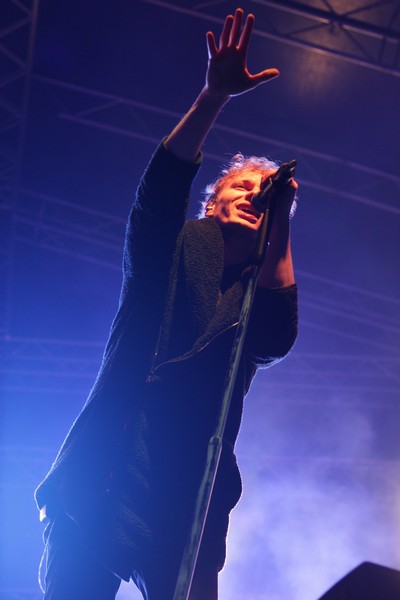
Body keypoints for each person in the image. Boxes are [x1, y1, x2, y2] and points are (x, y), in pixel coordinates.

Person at [35, 8, 298, 600]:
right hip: (106, 473)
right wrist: (213, 96)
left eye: (264, 194)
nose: (254, 196)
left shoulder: (252, 300)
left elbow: (276, 337)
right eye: (241, 186)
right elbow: (156, 198)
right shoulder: (169, 252)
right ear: (211, 203)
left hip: (187, 500)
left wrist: (282, 223)